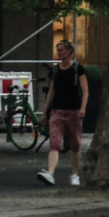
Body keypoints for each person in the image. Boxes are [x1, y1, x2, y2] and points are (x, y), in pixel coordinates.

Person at [37, 40, 89, 186]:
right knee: (54, 142)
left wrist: (83, 108)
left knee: (75, 144)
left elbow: (85, 90)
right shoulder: (55, 70)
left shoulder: (78, 69)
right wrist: (45, 111)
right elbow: (52, 91)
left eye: (61, 50)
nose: (59, 53)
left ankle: (74, 174)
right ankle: (50, 173)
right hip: (57, 110)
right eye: (57, 50)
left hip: (74, 110)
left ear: (69, 52)